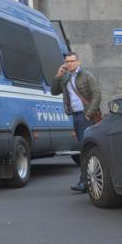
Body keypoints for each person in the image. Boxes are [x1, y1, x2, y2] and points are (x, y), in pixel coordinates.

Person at [51, 51, 101, 193]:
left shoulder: (87, 76)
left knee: (85, 149)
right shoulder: (65, 77)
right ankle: (87, 180)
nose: (69, 64)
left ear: (78, 61)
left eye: (72, 61)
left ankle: (84, 182)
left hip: (86, 116)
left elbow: (97, 95)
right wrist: (58, 76)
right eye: (67, 61)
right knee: (84, 148)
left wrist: (88, 114)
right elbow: (54, 91)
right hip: (76, 116)